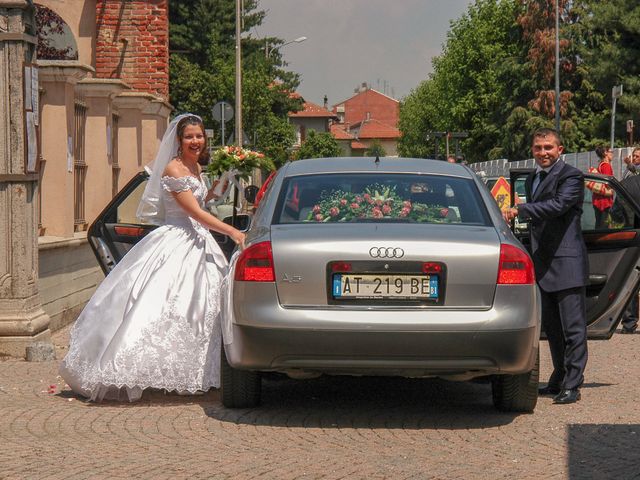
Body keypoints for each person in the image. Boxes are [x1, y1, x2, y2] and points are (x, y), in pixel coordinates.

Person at [59, 114, 246, 402]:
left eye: (199, 136)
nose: (195, 141)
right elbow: (194, 213)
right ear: (178, 140)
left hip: (199, 240)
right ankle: (137, 369)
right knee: (161, 303)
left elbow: (203, 201)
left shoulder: (194, 166)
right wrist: (232, 231)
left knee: (205, 305)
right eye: (189, 137)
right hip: (177, 239)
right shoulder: (172, 168)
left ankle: (199, 372)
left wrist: (225, 180)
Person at [503, 128, 589, 405]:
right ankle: (559, 377)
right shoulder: (531, 178)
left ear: (560, 149)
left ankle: (573, 384)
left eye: (548, 147)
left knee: (573, 329)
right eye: (538, 147)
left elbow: (559, 205)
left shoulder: (571, 176)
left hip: (567, 262)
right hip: (542, 262)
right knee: (552, 329)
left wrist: (522, 210)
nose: (543, 153)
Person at [592, 145, 614, 229]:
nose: (612, 154)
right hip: (604, 202)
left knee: (599, 226)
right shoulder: (606, 166)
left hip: (598, 200)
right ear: (605, 153)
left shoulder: (601, 164)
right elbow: (608, 183)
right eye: (611, 152)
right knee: (603, 229)